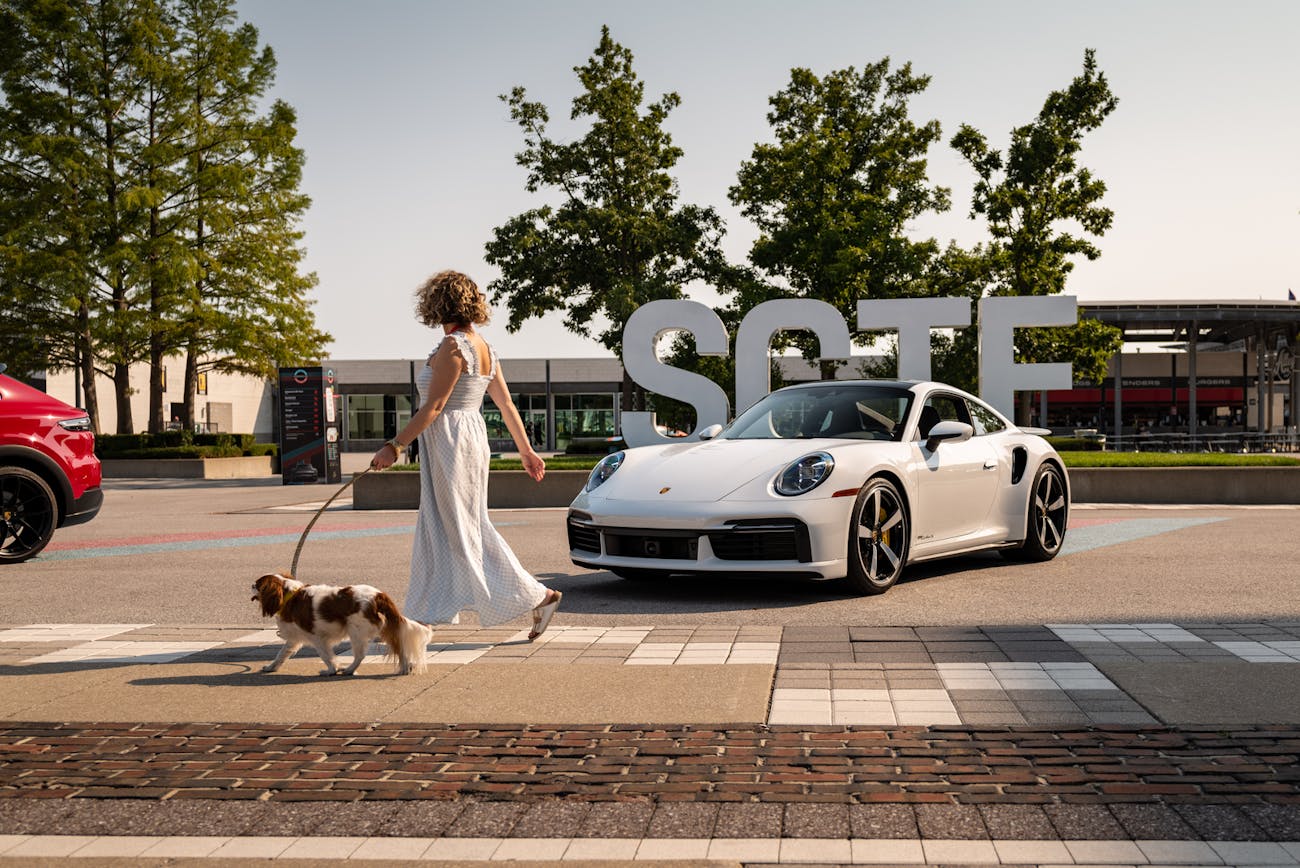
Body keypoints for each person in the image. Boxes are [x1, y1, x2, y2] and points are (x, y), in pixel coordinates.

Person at [369, 270, 561, 640]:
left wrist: (394, 446)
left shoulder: (454, 346)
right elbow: (505, 404)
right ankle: (421, 617)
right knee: (445, 525)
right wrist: (526, 451)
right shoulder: (483, 346)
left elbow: (435, 406)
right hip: (467, 437)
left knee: (461, 527)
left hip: (451, 440)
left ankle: (539, 596)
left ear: (437, 304)